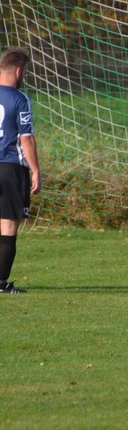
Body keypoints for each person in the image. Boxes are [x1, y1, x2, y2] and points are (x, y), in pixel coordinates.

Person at [0, 49, 42, 294]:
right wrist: (35, 170)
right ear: (18, 71)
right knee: (8, 226)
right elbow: (26, 138)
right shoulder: (19, 99)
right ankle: (1, 283)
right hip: (10, 167)